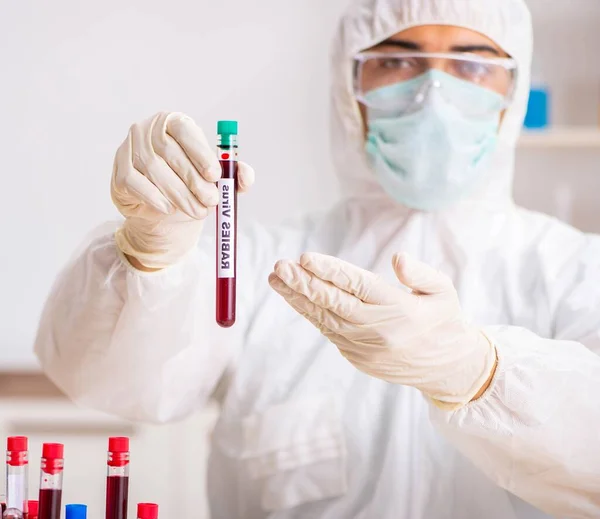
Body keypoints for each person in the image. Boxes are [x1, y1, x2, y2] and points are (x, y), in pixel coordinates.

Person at [34, 0, 600, 517]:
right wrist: (149, 257)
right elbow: (107, 381)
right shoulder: (262, 267)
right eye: (398, 63)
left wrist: (482, 375)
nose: (434, 91)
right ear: (349, 85)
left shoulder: (577, 273)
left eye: (472, 64)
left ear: (514, 91)